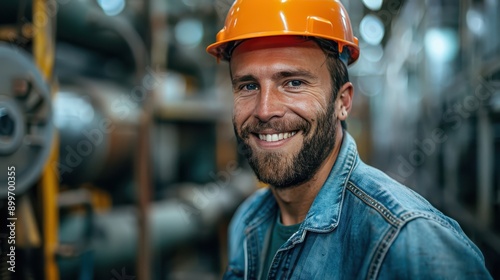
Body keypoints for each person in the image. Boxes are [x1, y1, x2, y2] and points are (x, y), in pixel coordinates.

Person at [206, 0, 493, 279]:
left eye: (293, 83)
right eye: (248, 85)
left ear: (342, 102)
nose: (265, 110)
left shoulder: (408, 240)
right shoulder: (247, 221)